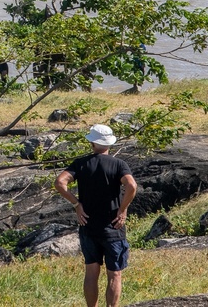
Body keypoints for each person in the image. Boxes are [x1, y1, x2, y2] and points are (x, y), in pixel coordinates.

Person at [55, 124, 139, 307]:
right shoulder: (119, 164)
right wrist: (122, 209)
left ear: (92, 142)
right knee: (114, 273)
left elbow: (60, 182)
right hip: (113, 226)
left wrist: (77, 204)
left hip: (88, 225)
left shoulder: (80, 164)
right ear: (109, 144)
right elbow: (131, 186)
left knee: (91, 272)